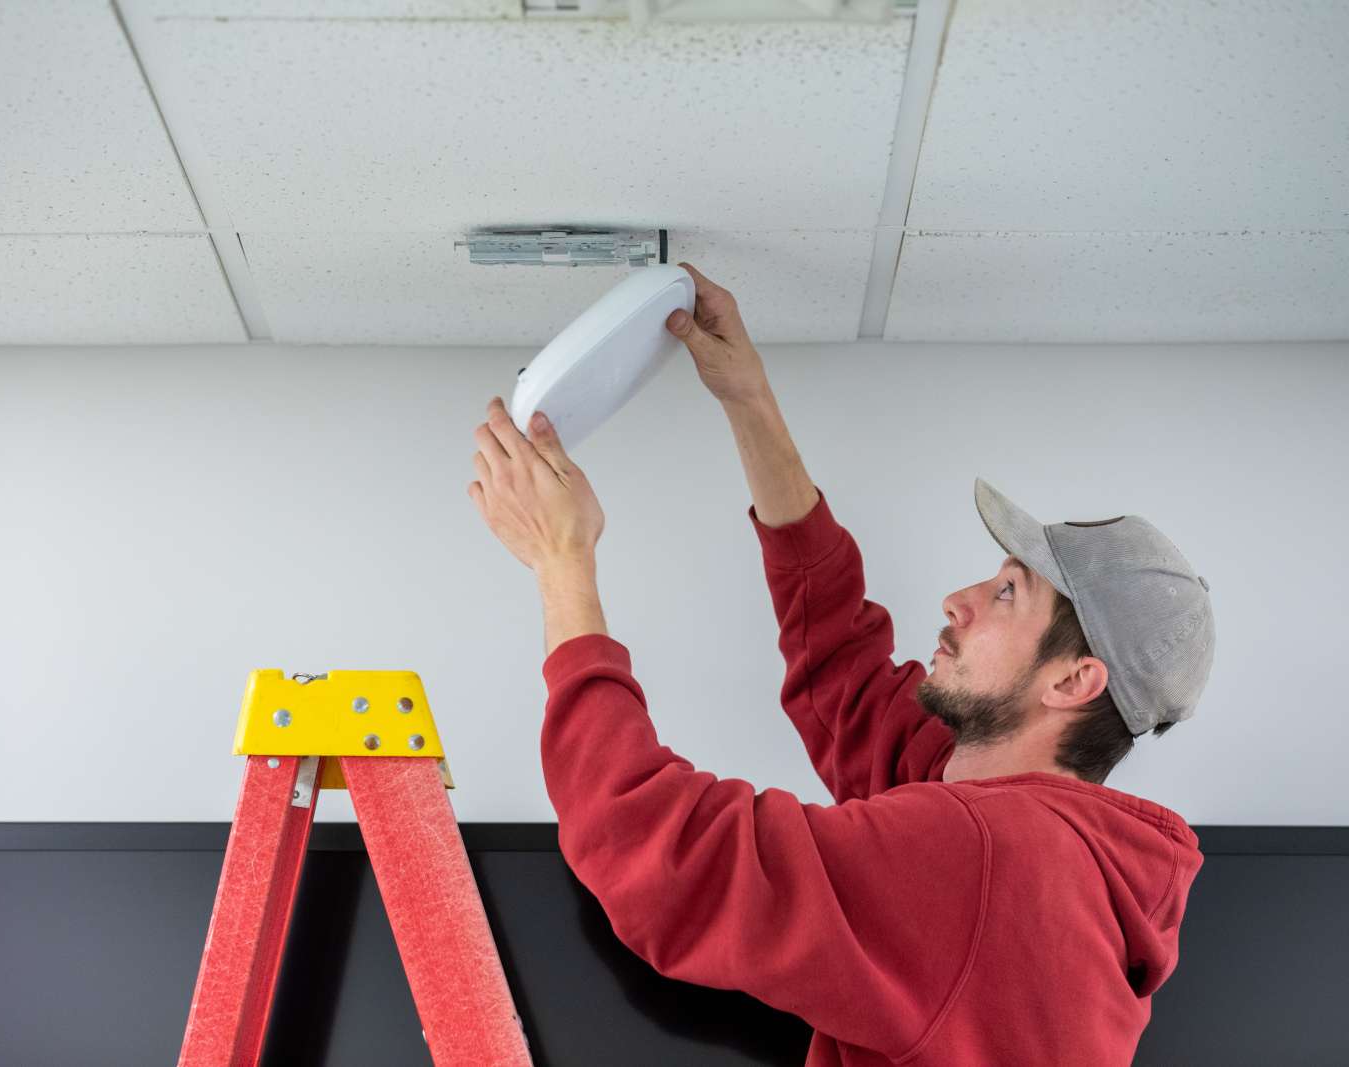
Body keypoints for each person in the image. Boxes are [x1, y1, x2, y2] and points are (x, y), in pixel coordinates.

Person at [467, 262, 1215, 1066]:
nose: (958, 600)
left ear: (1073, 681)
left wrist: (562, 561)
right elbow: (844, 676)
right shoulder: (1046, 859)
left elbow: (658, 854)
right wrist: (748, 399)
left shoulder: (991, 860)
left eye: (1006, 593)